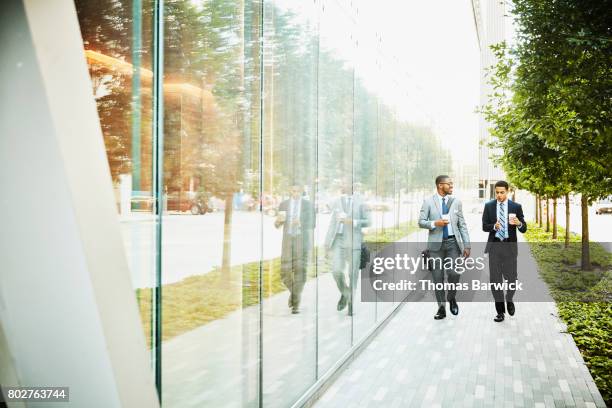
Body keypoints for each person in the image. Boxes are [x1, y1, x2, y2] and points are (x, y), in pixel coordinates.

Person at [418, 175, 471, 320]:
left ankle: (451, 297)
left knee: (454, 273)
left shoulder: (456, 202)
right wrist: (435, 223)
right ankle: (441, 307)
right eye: (449, 184)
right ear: (440, 185)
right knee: (438, 277)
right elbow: (421, 222)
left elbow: (462, 224)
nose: (452, 187)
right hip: (436, 246)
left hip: (453, 243)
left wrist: (467, 245)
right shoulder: (428, 202)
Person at [482, 180, 527, 322]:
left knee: (512, 278)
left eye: (502, 192)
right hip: (494, 247)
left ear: (508, 191)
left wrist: (518, 223)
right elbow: (484, 226)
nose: (499, 195)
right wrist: (494, 226)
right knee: (495, 280)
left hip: (509, 247)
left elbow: (524, 227)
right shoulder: (489, 206)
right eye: (497, 192)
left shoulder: (516, 206)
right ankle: (500, 311)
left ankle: (509, 298)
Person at [324, 180, 370, 316]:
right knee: (336, 271)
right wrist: (327, 243)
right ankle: (345, 293)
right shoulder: (337, 200)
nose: (343, 186)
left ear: (353, 186)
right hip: (338, 239)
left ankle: (351, 305)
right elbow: (332, 223)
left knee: (352, 274)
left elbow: (369, 221)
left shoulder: (362, 201)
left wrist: (353, 222)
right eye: (342, 184)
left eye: (346, 183)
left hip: (354, 241)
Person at [274, 185, 315, 314]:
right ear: (289, 191)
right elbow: (277, 225)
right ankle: (295, 294)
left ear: (302, 191)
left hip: (301, 241)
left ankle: (295, 305)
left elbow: (313, 223)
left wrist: (301, 222)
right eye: (293, 191)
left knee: (300, 271)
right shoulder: (284, 204)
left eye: (297, 191)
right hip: (287, 242)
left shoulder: (308, 205)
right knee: (284, 272)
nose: (295, 193)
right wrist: (278, 222)